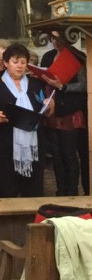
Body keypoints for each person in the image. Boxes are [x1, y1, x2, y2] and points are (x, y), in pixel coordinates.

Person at [0, 43, 53, 198]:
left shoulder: (35, 84)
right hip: (4, 144)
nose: (19, 66)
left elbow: (45, 113)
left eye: (23, 62)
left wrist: (49, 105)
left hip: (34, 144)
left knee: (33, 189)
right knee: (6, 188)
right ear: (6, 63)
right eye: (15, 61)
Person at [40, 31, 88, 196]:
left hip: (70, 110)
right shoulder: (48, 56)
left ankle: (72, 191)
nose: (56, 42)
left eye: (59, 38)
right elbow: (43, 77)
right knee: (57, 156)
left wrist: (63, 86)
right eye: (53, 38)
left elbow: (84, 85)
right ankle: (61, 191)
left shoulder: (78, 56)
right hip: (52, 109)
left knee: (69, 155)